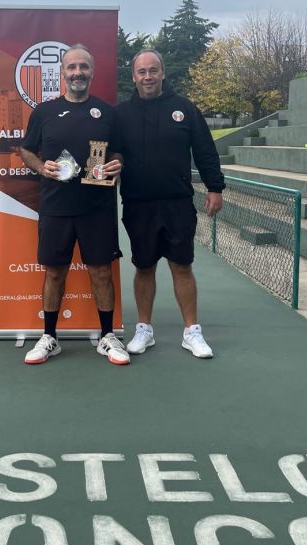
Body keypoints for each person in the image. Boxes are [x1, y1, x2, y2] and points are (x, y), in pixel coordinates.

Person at [19, 44, 128, 365]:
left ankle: (108, 336)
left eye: (83, 67)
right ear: (63, 73)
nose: (77, 72)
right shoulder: (44, 112)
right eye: (72, 67)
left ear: (92, 72)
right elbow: (26, 150)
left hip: (98, 208)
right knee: (54, 273)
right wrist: (41, 167)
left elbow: (119, 152)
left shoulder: (108, 112)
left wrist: (116, 164)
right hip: (55, 207)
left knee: (101, 273)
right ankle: (49, 337)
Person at [115, 49, 225, 358]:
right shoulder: (121, 114)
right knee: (144, 266)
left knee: (182, 266)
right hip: (138, 204)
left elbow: (205, 150)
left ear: (162, 74)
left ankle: (191, 331)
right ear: (134, 76)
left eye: (153, 70)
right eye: (142, 72)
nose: (147, 76)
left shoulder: (185, 109)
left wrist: (215, 187)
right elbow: (112, 154)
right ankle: (144, 330)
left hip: (177, 203)